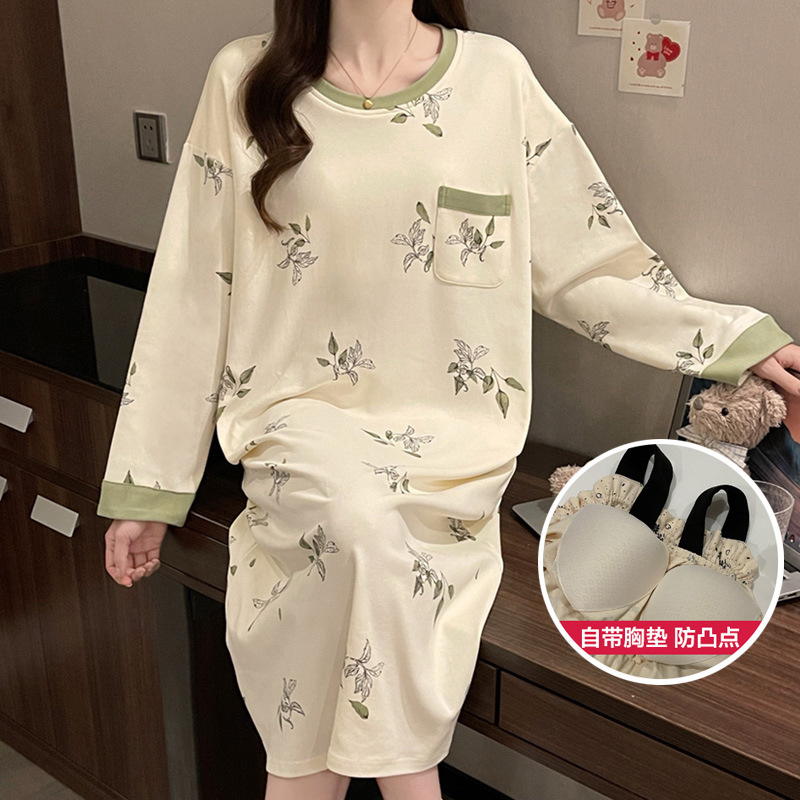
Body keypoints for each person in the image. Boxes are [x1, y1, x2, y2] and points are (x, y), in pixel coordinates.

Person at [98, 2, 800, 799]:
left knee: (367, 547)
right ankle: (406, 776)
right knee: (355, 525)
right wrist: (147, 488)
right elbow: (192, 290)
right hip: (299, 424)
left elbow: (589, 263)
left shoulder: (495, 80)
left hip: (452, 445)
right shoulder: (244, 81)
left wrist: (734, 338)